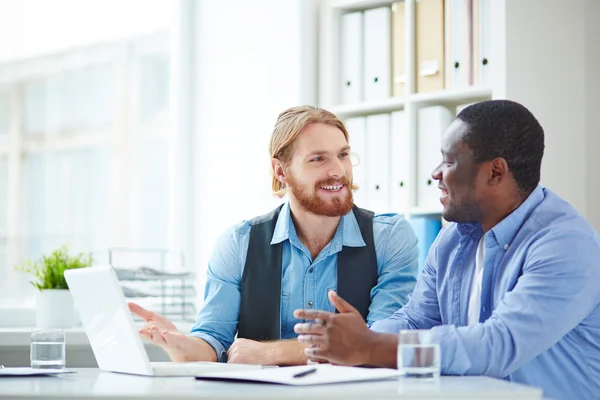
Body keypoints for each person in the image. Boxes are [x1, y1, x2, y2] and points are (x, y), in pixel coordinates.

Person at [294, 100, 600, 400]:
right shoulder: (453, 239)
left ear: (495, 172)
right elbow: (415, 319)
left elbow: (498, 344)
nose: (436, 173)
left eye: (449, 161)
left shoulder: (565, 245)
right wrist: (359, 336)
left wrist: (371, 347)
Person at [129, 105, 419, 366]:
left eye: (343, 155)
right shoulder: (238, 244)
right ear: (280, 170)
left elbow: (380, 342)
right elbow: (213, 341)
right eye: (318, 159)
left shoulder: (389, 238)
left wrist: (271, 353)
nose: (338, 170)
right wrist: (184, 346)